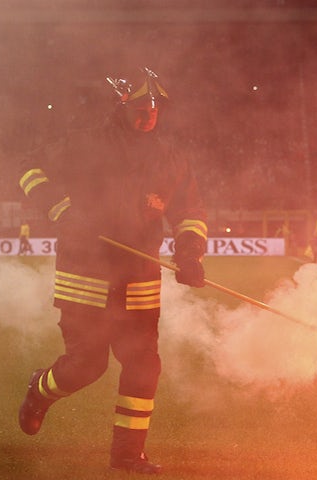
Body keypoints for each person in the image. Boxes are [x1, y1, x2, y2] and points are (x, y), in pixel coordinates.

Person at [16, 67, 207, 474]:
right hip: (86, 272)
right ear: (121, 107)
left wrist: (190, 254)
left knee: (143, 365)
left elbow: (189, 213)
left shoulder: (171, 158)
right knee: (87, 365)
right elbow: (31, 171)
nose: (148, 114)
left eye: (155, 107)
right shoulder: (85, 144)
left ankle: (127, 455)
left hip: (139, 277)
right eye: (140, 106)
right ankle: (40, 390)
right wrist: (62, 210)